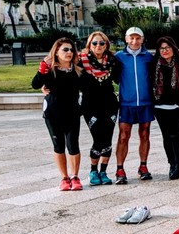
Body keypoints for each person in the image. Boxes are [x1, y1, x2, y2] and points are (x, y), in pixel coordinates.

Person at [32, 38, 83, 191]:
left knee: (73, 144)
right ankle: (64, 178)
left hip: (73, 112)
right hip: (53, 113)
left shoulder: (77, 68)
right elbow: (35, 84)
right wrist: (42, 69)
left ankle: (75, 176)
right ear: (56, 52)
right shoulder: (49, 69)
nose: (69, 52)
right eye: (65, 50)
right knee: (58, 145)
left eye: (71, 50)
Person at [114, 27, 155, 184]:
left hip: (145, 102)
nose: (134, 41)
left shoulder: (148, 57)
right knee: (124, 136)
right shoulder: (119, 57)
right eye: (131, 38)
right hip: (126, 103)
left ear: (143, 39)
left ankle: (143, 166)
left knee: (145, 134)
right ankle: (119, 169)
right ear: (126, 39)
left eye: (138, 38)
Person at [78, 32, 118, 186]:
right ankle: (93, 170)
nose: (98, 46)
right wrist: (46, 85)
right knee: (98, 138)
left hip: (110, 105)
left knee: (107, 138)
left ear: (106, 45)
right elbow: (64, 72)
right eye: (94, 43)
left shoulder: (113, 61)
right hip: (90, 106)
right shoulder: (81, 61)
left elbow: (121, 77)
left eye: (102, 43)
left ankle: (103, 171)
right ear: (89, 44)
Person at [152, 36, 179, 180]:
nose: (165, 51)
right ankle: (172, 164)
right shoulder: (154, 65)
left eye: (167, 48)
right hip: (160, 105)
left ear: (173, 48)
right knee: (166, 136)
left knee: (176, 135)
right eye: (162, 48)